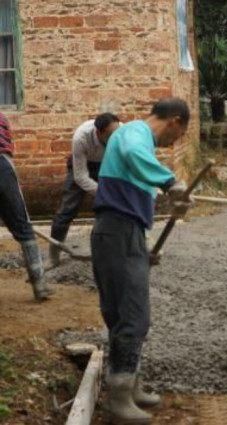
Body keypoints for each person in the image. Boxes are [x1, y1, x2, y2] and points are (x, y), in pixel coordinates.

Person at [91, 98, 193, 423]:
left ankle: (129, 385)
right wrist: (169, 180)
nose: (172, 143)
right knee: (133, 316)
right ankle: (119, 399)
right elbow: (136, 158)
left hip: (123, 233)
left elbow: (132, 201)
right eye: (177, 135)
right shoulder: (135, 134)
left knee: (125, 314)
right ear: (175, 121)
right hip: (117, 233)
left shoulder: (133, 140)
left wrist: (144, 249)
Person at [48, 113, 120, 267]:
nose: (116, 137)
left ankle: (111, 252)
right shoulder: (81, 137)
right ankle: (53, 256)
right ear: (98, 132)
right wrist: (103, 192)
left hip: (108, 164)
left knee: (114, 208)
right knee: (66, 209)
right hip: (83, 164)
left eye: (117, 132)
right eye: (110, 135)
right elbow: (80, 176)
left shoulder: (123, 132)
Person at [0, 112, 53, 301]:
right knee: (23, 227)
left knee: (23, 227)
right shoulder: (2, 117)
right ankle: (40, 286)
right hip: (3, 167)